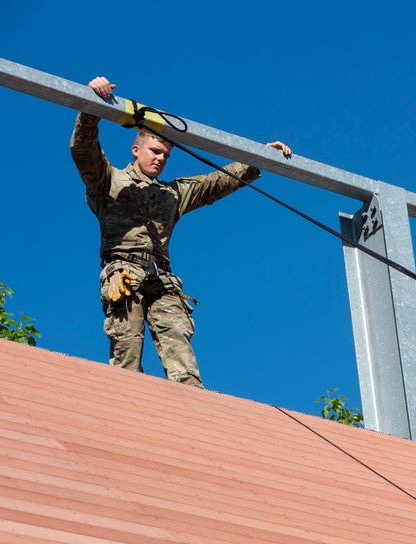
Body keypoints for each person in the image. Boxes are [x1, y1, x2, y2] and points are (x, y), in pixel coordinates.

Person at [70, 76, 292, 387]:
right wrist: (91, 107)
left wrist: (259, 157)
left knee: (182, 360)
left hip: (162, 279)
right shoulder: (109, 182)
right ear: (136, 149)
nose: (160, 158)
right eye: (155, 151)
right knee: (126, 358)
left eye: (165, 155)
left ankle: (193, 414)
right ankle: (127, 409)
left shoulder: (172, 193)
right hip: (124, 273)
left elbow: (217, 182)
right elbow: (84, 151)